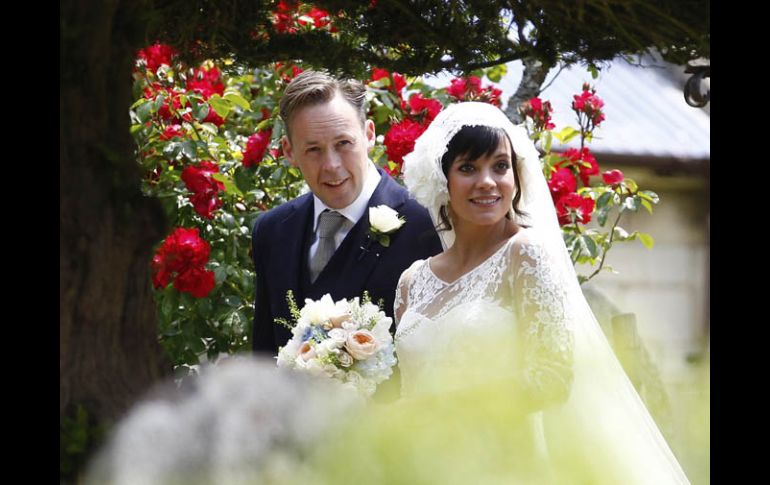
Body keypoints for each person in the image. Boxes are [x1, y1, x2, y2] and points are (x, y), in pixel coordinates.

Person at [393, 102, 691, 483]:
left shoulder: (526, 255)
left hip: (502, 463)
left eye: (500, 166)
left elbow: (551, 378)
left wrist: (436, 409)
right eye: (468, 168)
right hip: (417, 466)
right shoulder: (412, 281)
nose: (487, 181)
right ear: (441, 179)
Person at [252, 70, 442, 355]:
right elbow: (265, 355)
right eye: (313, 149)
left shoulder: (426, 225)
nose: (331, 165)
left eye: (343, 144)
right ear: (289, 152)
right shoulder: (272, 230)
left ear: (369, 135)